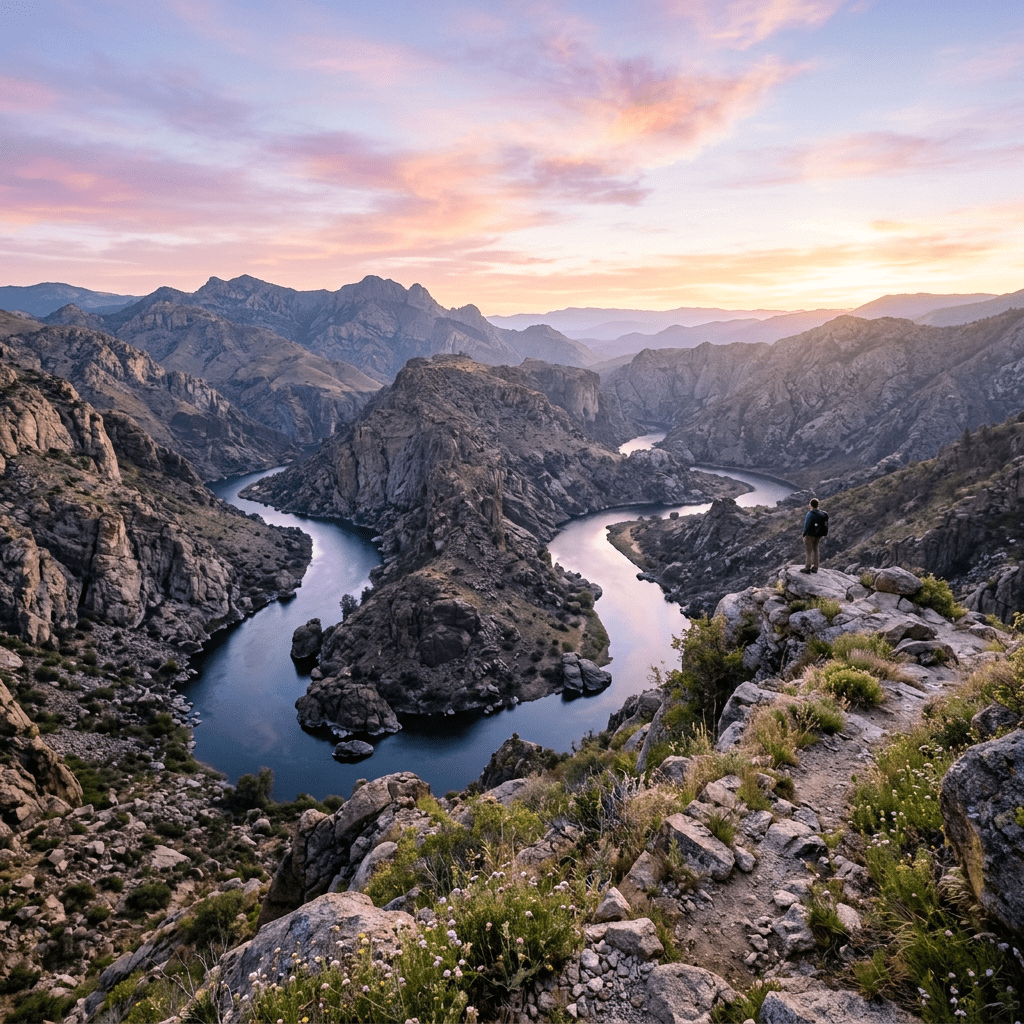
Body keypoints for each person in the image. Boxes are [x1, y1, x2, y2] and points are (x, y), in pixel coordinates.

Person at [801, 498, 828, 573]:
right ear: (817, 505)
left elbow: (806, 526)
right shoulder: (822, 514)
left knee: (809, 551)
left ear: (810, 505)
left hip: (809, 535)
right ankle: (815, 567)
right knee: (816, 549)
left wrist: (804, 535)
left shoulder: (810, 514)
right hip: (818, 535)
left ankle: (807, 568)